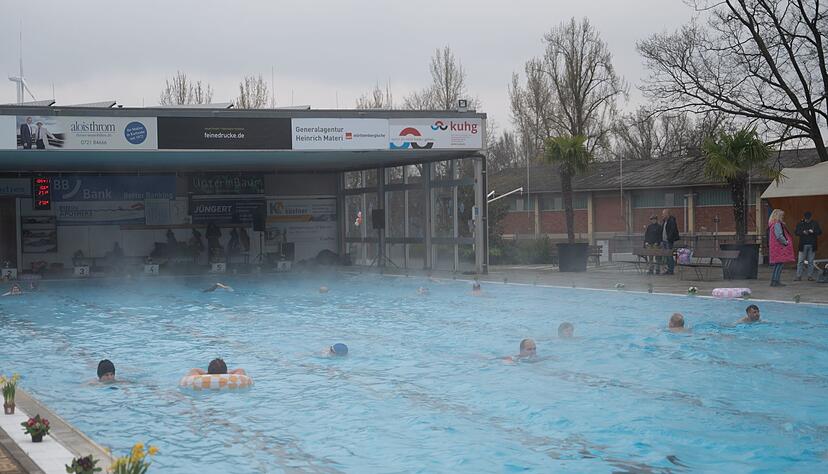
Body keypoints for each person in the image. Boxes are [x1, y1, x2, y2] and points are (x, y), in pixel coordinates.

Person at [768, 209, 795, 287]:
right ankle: (776, 281)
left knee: (777, 264)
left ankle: (774, 281)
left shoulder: (772, 224)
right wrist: (785, 242)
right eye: (781, 215)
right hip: (779, 247)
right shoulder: (777, 224)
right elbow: (779, 236)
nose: (782, 217)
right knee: (779, 264)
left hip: (775, 247)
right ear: (778, 215)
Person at [794, 211, 822, 281]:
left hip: (811, 245)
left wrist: (813, 232)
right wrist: (802, 232)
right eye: (807, 218)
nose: (807, 220)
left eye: (808, 218)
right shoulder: (801, 223)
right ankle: (799, 276)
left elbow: (820, 232)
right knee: (800, 261)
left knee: (810, 261)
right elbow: (796, 232)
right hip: (803, 245)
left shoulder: (815, 223)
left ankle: (809, 276)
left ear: (810, 217)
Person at [660, 209, 680, 275]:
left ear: (667, 214)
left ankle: (671, 270)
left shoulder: (671, 221)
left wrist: (669, 238)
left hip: (668, 241)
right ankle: (669, 269)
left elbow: (672, 230)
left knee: (669, 256)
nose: (662, 215)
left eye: (663, 213)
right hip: (664, 241)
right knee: (667, 256)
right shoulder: (664, 221)